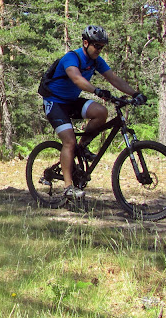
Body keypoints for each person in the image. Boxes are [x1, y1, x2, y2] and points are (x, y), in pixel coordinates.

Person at [42, 25, 147, 200]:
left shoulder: (96, 61)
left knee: (101, 112)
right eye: (96, 46)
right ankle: (68, 187)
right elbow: (77, 79)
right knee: (69, 140)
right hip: (55, 102)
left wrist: (135, 93)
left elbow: (113, 78)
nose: (99, 50)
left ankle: (81, 147)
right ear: (85, 43)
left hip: (71, 101)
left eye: (102, 47)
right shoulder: (72, 58)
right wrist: (96, 90)